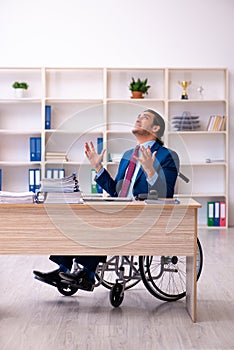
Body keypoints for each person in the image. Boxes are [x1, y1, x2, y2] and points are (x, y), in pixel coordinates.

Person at [33, 109, 179, 292]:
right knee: (78, 217)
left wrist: (150, 172)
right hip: (119, 211)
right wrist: (98, 167)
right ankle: (63, 270)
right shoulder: (128, 155)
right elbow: (116, 192)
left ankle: (88, 274)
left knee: (100, 222)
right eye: (138, 115)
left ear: (156, 128)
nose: (138, 118)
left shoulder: (167, 156)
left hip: (143, 218)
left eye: (145, 117)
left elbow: (166, 195)